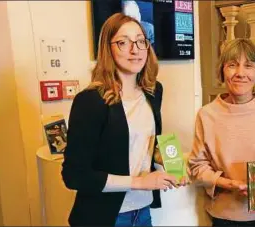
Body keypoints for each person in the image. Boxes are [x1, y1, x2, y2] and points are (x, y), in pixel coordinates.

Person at [61, 13, 187, 226]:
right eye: (123, 42)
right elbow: (74, 175)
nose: (135, 49)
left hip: (143, 212)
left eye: (140, 41)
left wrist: (172, 164)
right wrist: (140, 182)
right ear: (107, 49)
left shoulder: (153, 91)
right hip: (104, 217)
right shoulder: (91, 101)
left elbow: (149, 142)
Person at [188, 38, 255, 226]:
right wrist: (226, 183)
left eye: (248, 65)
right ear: (222, 70)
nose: (240, 73)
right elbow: (198, 166)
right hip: (225, 216)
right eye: (232, 65)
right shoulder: (207, 115)